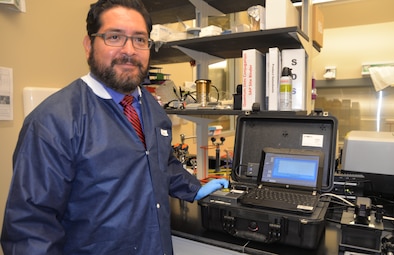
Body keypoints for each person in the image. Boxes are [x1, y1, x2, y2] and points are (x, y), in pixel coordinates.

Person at [0, 0, 228, 254]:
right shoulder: (53, 121)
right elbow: (31, 229)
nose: (129, 50)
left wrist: (194, 188)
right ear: (89, 46)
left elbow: (161, 161)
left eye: (140, 39)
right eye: (115, 37)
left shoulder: (150, 106)